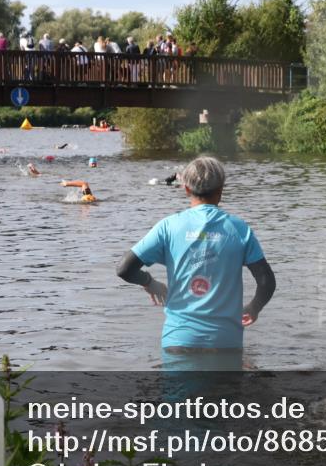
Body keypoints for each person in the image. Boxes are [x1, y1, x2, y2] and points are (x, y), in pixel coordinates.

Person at [117, 156, 276, 363]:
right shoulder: (239, 229)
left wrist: (149, 282)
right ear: (221, 190)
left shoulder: (168, 227)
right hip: (225, 343)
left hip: (179, 342)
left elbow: (124, 269)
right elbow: (266, 281)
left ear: (186, 189)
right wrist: (254, 307)